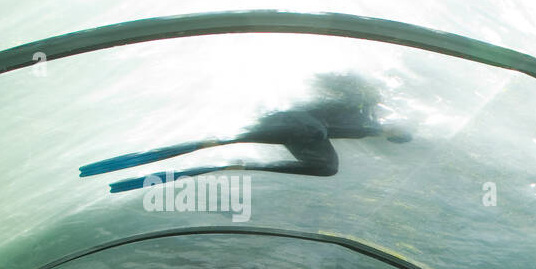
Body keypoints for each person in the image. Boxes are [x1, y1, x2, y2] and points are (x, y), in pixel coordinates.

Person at [79, 73, 412, 193]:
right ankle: (218, 143)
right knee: (311, 129)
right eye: (397, 132)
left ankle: (236, 163)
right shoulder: (362, 101)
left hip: (308, 134)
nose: (392, 134)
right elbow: (322, 86)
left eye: (396, 136)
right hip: (297, 121)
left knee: (329, 166)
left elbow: (342, 130)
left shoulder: (370, 127)